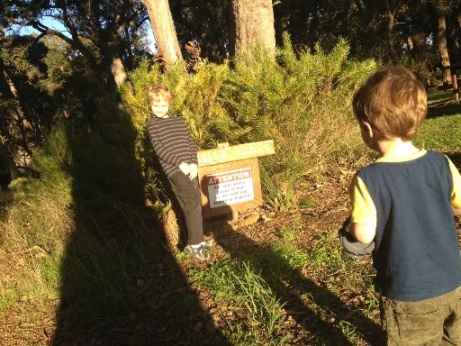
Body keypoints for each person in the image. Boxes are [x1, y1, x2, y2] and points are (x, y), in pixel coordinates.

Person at [346, 66, 461, 345]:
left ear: (368, 128)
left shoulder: (368, 179)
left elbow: (363, 235)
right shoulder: (441, 163)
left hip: (409, 292)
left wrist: (351, 227)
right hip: (454, 282)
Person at [146, 84, 210, 261]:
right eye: (155, 105)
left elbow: (190, 143)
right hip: (175, 169)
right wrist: (180, 164)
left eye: (163, 104)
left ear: (169, 103)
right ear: (150, 105)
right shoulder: (152, 125)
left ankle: (195, 241)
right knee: (193, 201)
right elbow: (160, 150)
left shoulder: (178, 121)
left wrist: (193, 163)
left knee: (192, 203)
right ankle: (195, 245)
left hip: (190, 168)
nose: (159, 108)